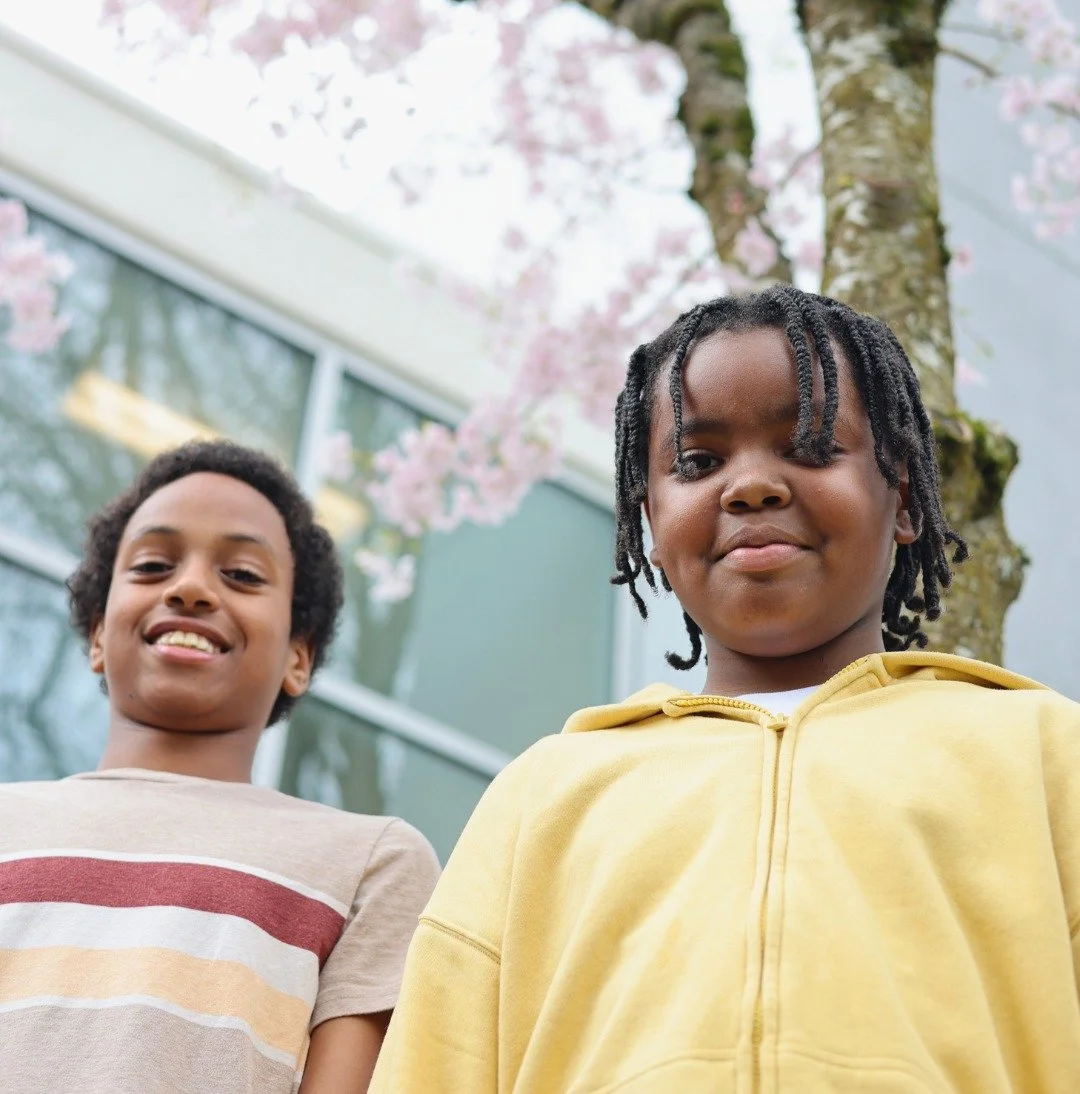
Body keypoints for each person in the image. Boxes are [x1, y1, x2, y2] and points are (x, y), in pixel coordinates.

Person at [371, 285, 1080, 1093]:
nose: (750, 487)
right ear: (649, 525)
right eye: (699, 463)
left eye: (810, 446)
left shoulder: (1045, 753)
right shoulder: (545, 792)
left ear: (907, 496)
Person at [0, 440, 439, 1094]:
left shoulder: (368, 864)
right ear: (97, 633)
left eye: (242, 575)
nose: (191, 588)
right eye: (153, 565)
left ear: (299, 656)